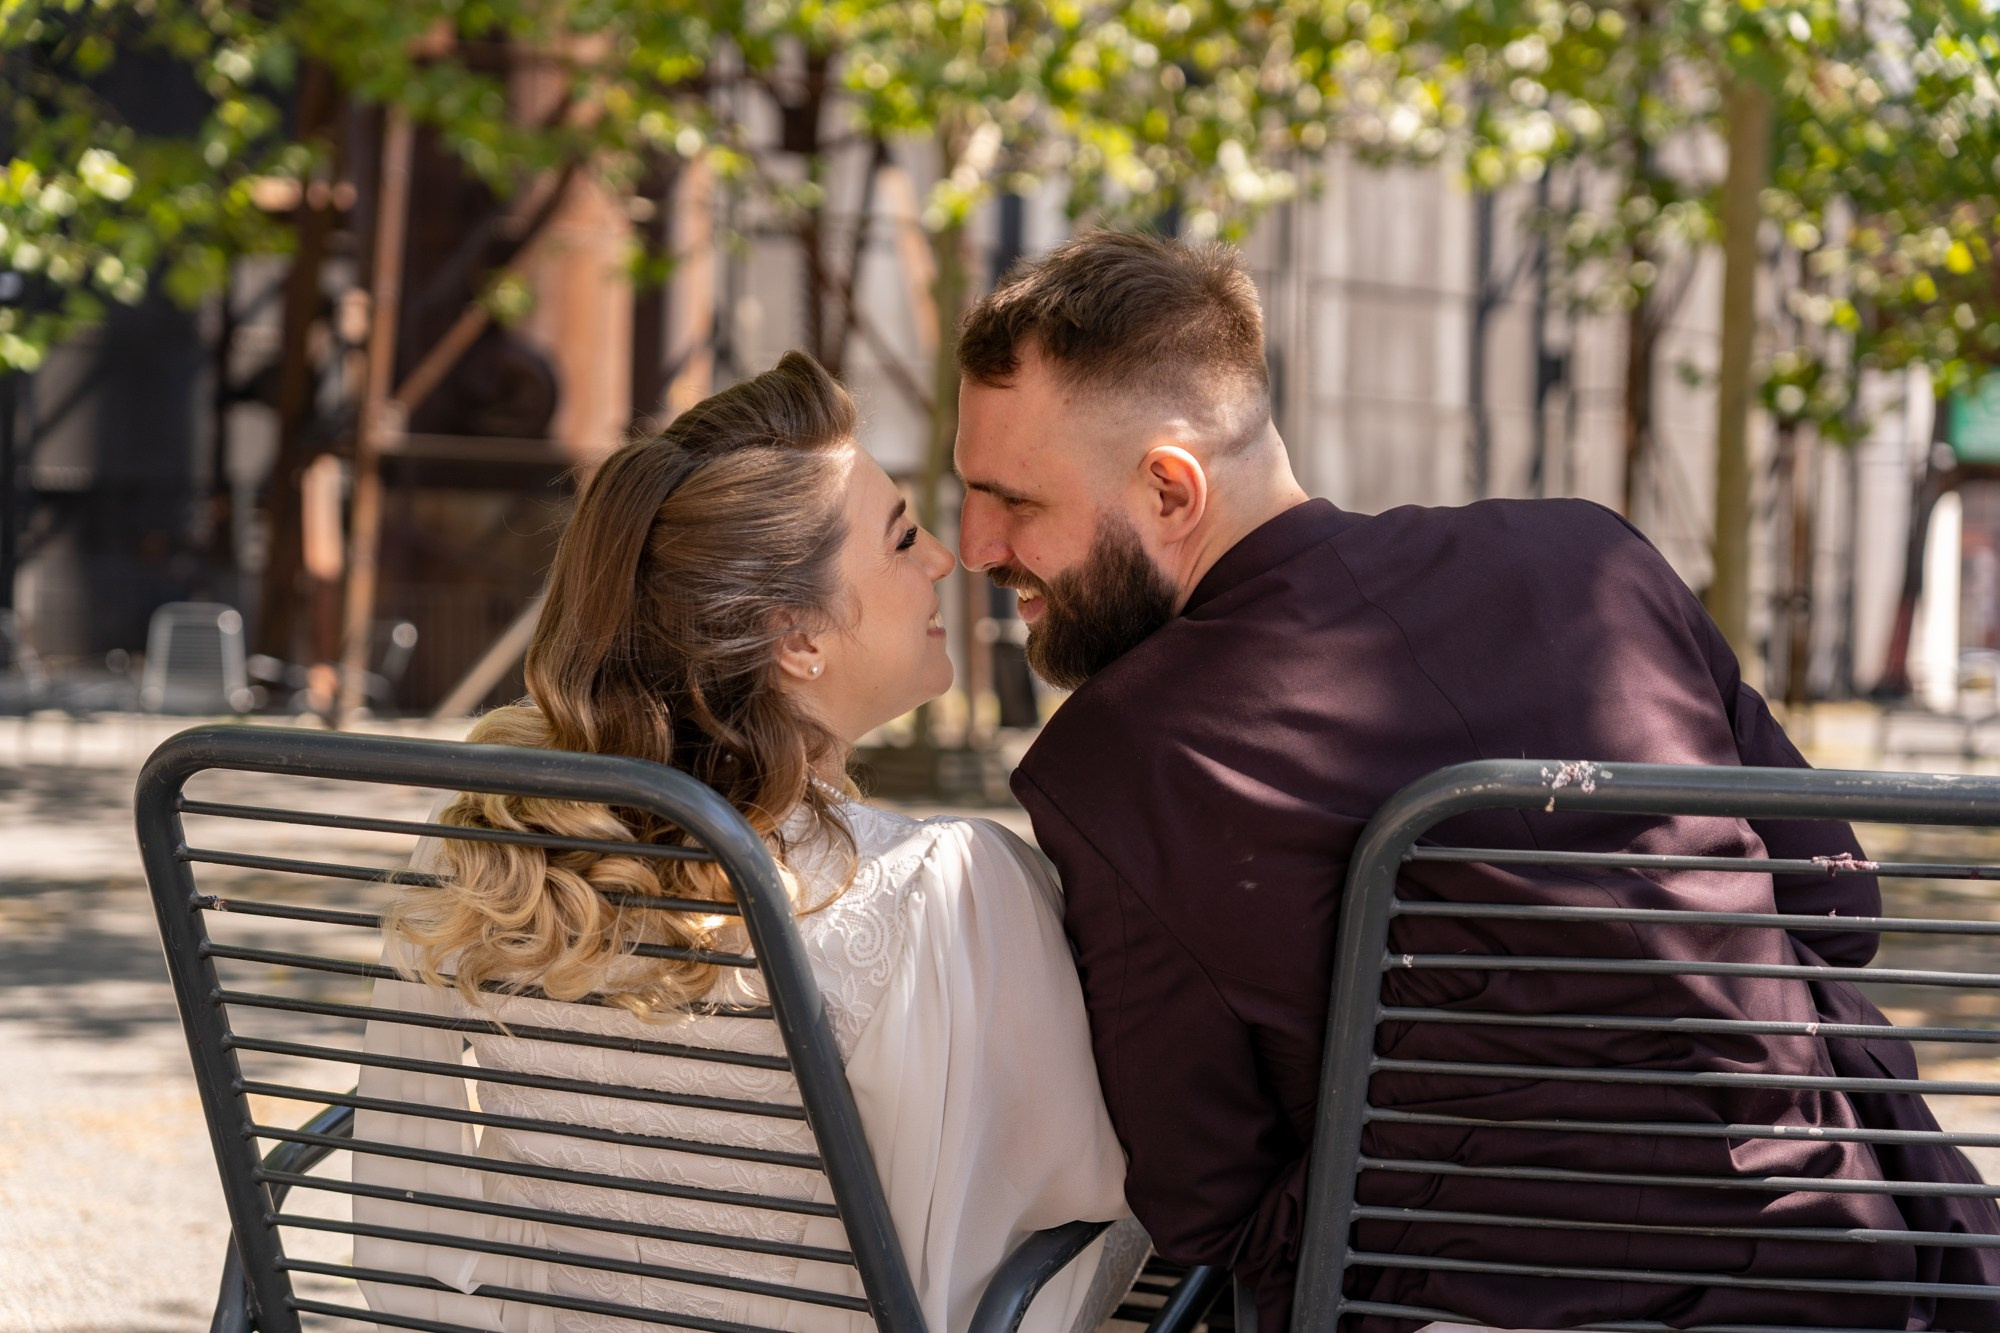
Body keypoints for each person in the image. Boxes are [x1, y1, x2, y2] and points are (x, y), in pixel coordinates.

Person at [952, 229, 2000, 1333]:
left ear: (1170, 488)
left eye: (1009, 498)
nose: (974, 542)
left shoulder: (1116, 763)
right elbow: (1835, 908)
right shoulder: (1588, 562)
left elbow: (1203, 1199)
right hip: (1851, 1275)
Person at [356, 351, 1142, 1333]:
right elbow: (1033, 1267)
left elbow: (407, 1222)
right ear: (796, 637)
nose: (946, 557)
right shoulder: (938, 888)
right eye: (901, 539)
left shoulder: (500, 847)